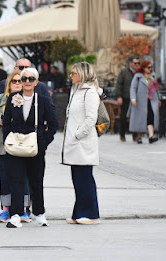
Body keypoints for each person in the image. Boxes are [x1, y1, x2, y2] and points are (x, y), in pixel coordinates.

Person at [2, 67, 58, 228]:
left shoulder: (43, 100)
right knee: (16, 181)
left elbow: (53, 124)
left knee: (36, 181)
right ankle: (16, 215)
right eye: (23, 79)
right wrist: (8, 139)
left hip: (35, 146)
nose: (26, 82)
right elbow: (6, 122)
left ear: (36, 82)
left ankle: (39, 213)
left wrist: (44, 142)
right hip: (16, 146)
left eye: (30, 79)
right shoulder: (13, 97)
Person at [0, 71, 31, 223]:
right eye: (14, 81)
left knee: (22, 178)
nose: (18, 83)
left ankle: (24, 210)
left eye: (20, 81)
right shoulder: (0, 99)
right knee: (4, 178)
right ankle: (6, 209)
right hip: (2, 143)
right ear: (8, 84)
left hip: (21, 144)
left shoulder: (28, 99)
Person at [62, 62, 102, 225]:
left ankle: (91, 214)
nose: (71, 76)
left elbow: (91, 118)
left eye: (74, 73)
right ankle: (78, 212)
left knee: (85, 179)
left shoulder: (90, 93)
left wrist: (78, 134)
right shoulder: (76, 91)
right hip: (74, 143)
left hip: (83, 143)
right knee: (78, 179)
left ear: (82, 75)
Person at [129, 61, 160, 144]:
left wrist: (159, 99)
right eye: (148, 67)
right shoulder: (138, 76)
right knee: (140, 118)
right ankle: (139, 136)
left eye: (151, 67)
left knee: (150, 117)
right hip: (140, 100)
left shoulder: (152, 76)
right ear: (144, 68)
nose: (150, 69)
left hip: (151, 100)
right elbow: (133, 88)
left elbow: (156, 89)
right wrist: (133, 98)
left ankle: (151, 136)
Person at [115, 55, 140, 142]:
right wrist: (119, 96)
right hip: (126, 97)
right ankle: (122, 134)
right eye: (135, 63)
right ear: (130, 63)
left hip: (136, 99)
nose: (137, 65)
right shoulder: (124, 72)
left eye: (138, 63)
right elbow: (118, 84)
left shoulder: (139, 73)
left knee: (135, 117)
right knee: (124, 116)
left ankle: (135, 135)